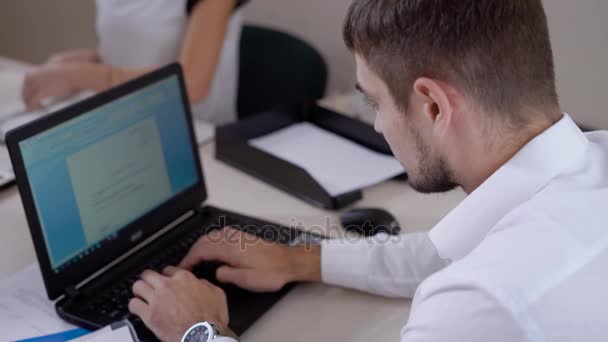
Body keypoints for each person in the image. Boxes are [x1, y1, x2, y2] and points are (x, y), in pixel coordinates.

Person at [127, 0, 608, 341]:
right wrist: (300, 261)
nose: (378, 124)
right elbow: (448, 252)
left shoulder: (477, 303)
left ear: (434, 107)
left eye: (373, 101)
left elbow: (472, 277)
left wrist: (201, 332)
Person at [21, 0, 248, 125]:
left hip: (192, 131)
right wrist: (91, 61)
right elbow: (134, 45)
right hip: (124, 117)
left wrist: (83, 75)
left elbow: (192, 84)